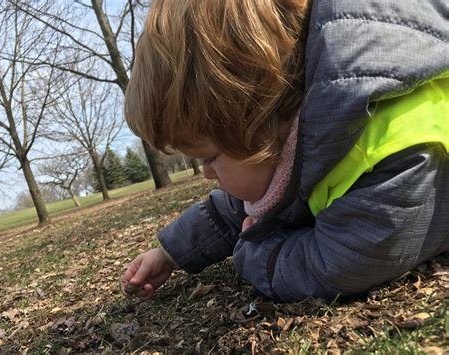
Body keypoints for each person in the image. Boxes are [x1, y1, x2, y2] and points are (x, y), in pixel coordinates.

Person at [121, 0, 449, 302]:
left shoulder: (391, 149)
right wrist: (169, 253)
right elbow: (232, 210)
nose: (206, 173)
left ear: (260, 117)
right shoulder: (294, 141)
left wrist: (256, 253)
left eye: (209, 158)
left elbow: (340, 264)